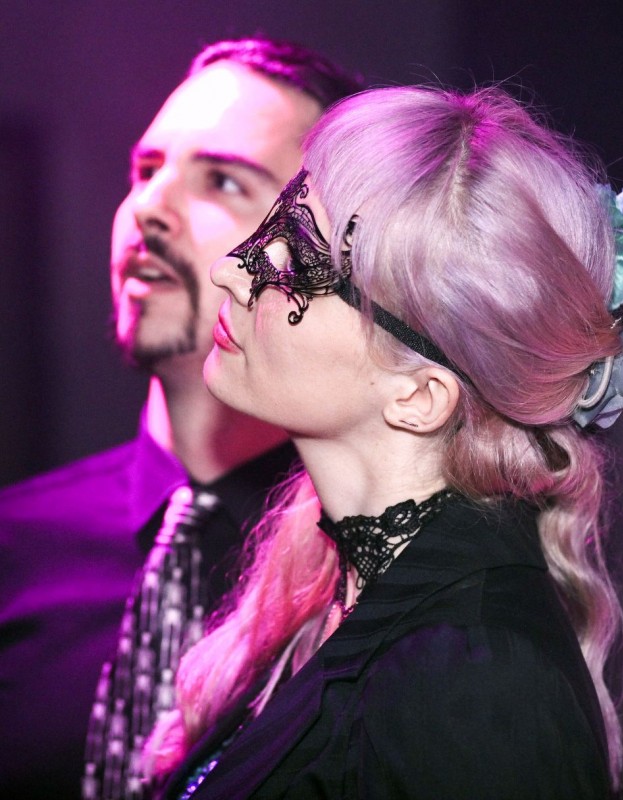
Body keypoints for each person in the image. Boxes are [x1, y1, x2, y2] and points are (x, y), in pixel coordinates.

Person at [145, 86, 623, 799]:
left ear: (420, 397)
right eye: (272, 227)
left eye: (296, 264)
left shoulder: (475, 684)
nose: (230, 272)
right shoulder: (348, 598)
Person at [0, 38, 360, 800]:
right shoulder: (14, 547)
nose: (148, 210)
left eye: (223, 181)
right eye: (145, 170)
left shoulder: (369, 579)